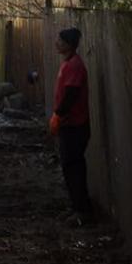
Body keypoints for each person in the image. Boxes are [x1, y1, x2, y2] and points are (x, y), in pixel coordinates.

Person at [50, 27, 94, 222]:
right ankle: (76, 206)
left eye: (60, 40)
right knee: (69, 166)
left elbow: (71, 95)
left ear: (68, 44)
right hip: (69, 124)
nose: (56, 43)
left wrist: (58, 115)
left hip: (76, 124)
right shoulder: (67, 63)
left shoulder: (75, 65)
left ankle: (82, 211)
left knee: (74, 167)